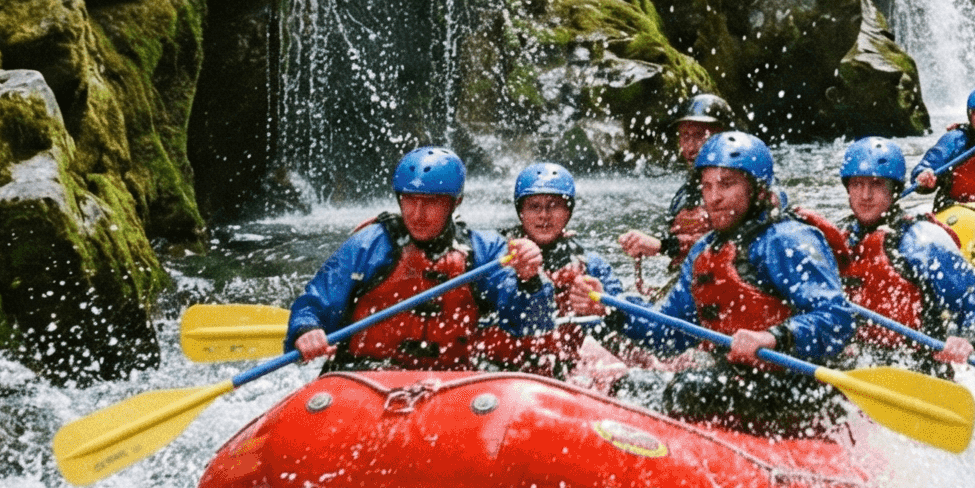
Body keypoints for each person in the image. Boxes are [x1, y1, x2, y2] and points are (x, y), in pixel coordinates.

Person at [599, 131, 855, 435]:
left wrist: (772, 337)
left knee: (672, 390)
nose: (713, 197)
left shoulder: (787, 239)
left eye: (726, 184)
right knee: (635, 386)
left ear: (757, 190)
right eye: (707, 186)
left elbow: (838, 320)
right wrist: (610, 308)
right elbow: (669, 333)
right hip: (741, 380)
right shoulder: (704, 251)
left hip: (799, 385)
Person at [287, 146, 547, 369]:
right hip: (366, 375)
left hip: (451, 383)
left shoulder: (486, 251)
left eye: (431, 202)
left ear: (456, 203)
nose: (418, 213)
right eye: (410, 200)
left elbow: (530, 326)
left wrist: (529, 280)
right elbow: (314, 303)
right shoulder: (368, 245)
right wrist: (306, 329)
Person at [803, 137, 975, 365]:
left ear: (894, 190)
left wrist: (969, 338)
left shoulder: (922, 241)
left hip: (915, 365)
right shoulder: (837, 239)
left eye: (876, 185)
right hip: (853, 363)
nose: (865, 195)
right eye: (857, 184)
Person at [476, 162, 618, 375]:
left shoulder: (589, 263)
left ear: (568, 212)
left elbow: (620, 310)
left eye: (554, 205)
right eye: (534, 206)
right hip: (500, 370)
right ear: (521, 212)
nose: (544, 215)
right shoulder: (494, 255)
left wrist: (605, 307)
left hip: (560, 370)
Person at [619, 93, 732, 284]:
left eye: (699, 136)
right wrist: (646, 245)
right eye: (685, 136)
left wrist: (662, 246)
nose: (690, 147)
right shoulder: (684, 194)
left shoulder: (745, 186)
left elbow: (732, 242)